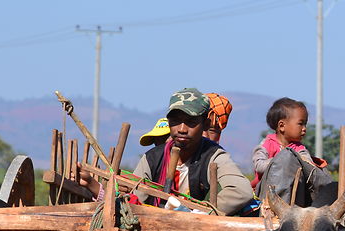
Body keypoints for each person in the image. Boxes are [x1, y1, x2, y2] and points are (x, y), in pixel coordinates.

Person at [79, 88, 253, 216]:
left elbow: (241, 191)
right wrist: (95, 187)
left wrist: (198, 214)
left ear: (205, 125)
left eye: (191, 122)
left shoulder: (213, 155)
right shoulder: (153, 158)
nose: (182, 129)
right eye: (176, 121)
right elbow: (132, 203)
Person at [251, 97, 326, 189]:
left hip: (293, 192)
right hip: (266, 191)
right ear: (282, 126)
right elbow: (259, 166)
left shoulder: (300, 149)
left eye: (305, 124)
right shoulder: (266, 145)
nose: (304, 128)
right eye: (300, 124)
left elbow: (308, 165)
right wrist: (283, 161)